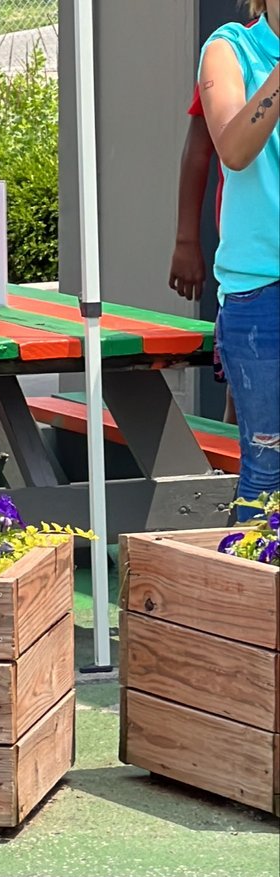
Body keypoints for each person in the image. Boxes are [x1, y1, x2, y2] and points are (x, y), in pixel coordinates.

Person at [199, 0, 279, 519]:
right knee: (267, 468)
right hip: (261, 291)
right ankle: (255, 595)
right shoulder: (231, 48)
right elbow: (232, 148)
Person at [168, 4, 260, 425]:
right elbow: (199, 149)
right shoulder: (233, 51)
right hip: (252, 265)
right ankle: (230, 481)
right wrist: (187, 240)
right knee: (243, 395)